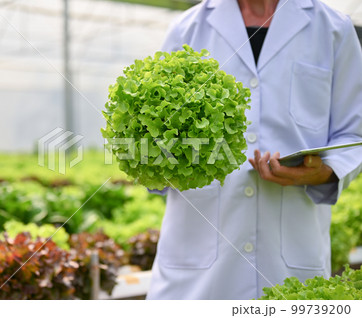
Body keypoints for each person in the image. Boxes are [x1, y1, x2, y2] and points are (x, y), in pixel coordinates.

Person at [146, 0, 362, 300]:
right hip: (196, 274)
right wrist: (154, 156)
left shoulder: (333, 29)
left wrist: (323, 172)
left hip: (290, 261)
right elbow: (150, 120)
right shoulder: (187, 28)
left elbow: (353, 132)